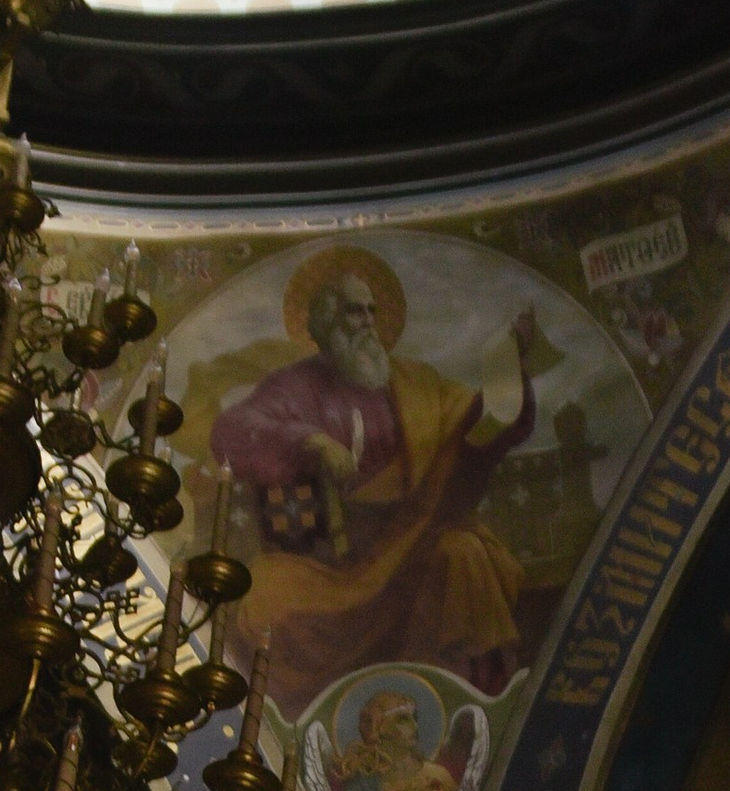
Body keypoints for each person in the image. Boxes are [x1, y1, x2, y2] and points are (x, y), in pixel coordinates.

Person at [208, 252, 547, 709]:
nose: (367, 321)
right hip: (331, 564)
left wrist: (508, 368)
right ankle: (287, 729)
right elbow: (233, 432)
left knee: (466, 556)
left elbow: (474, 426)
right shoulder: (295, 386)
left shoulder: (414, 380)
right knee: (266, 594)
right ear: (325, 322)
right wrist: (309, 442)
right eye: (353, 310)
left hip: (414, 538)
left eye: (371, 310)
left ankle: (469, 705)